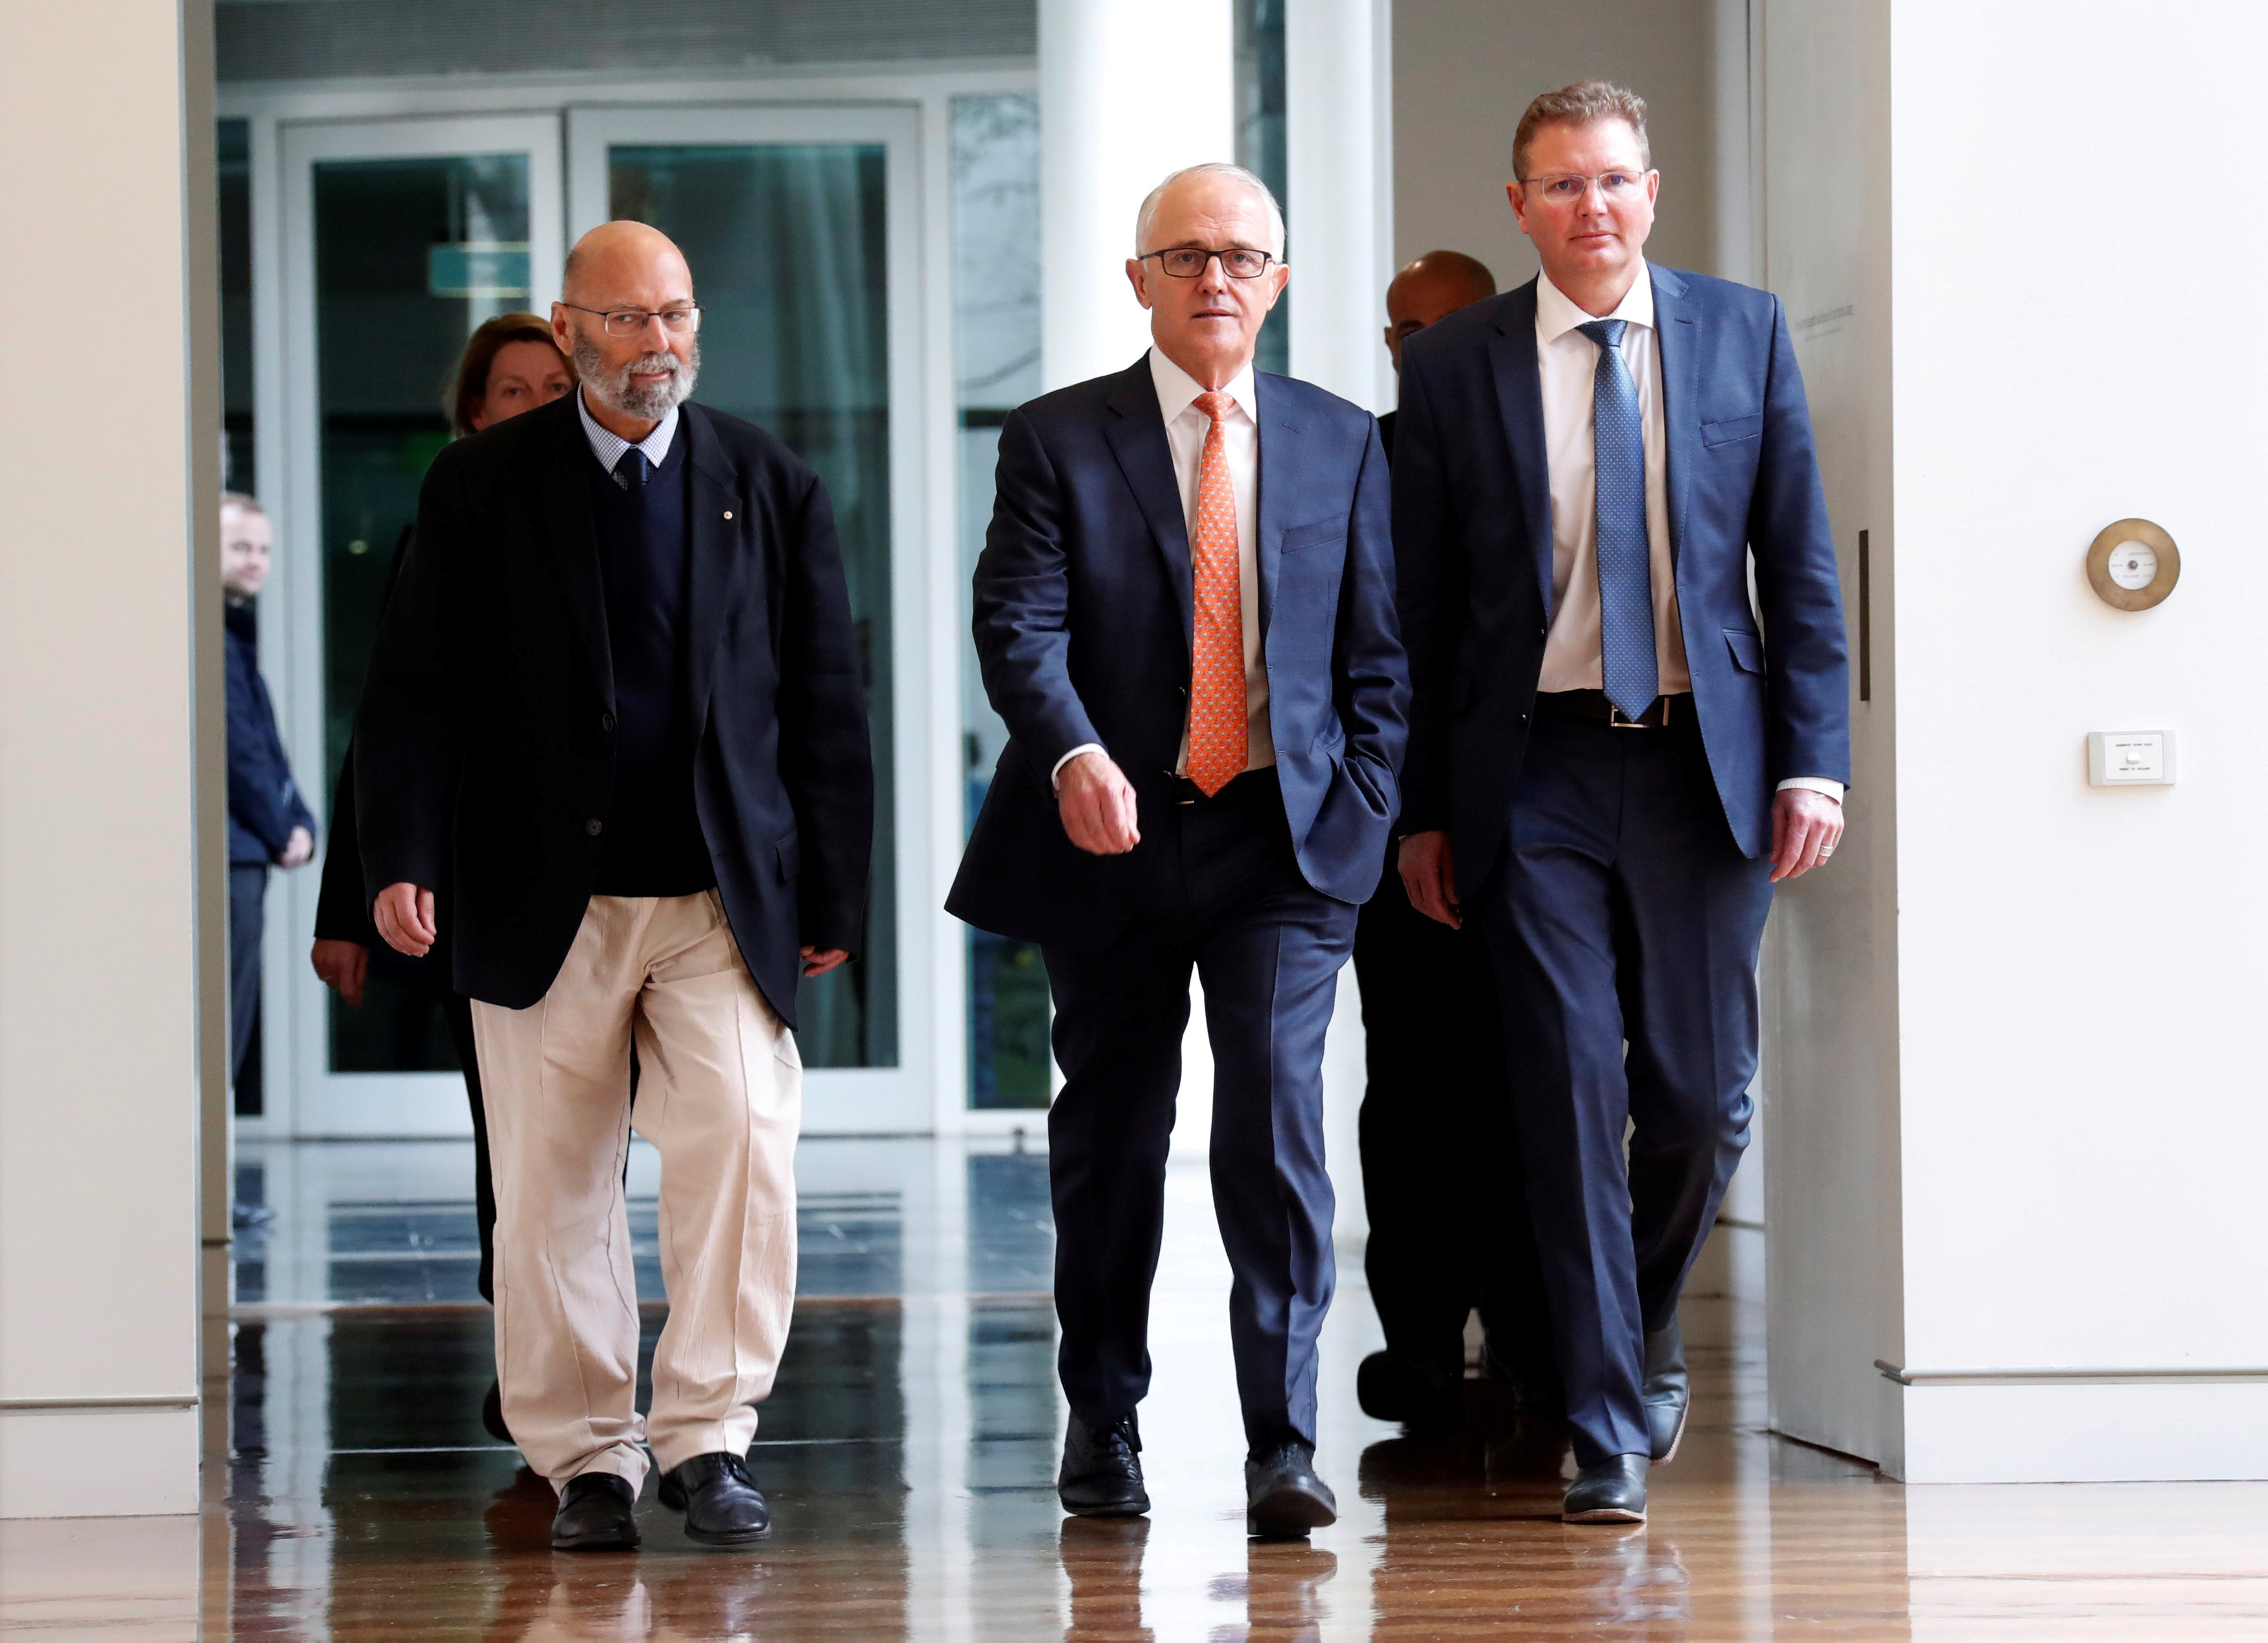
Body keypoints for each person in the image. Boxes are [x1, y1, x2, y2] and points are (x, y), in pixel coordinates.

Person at [354, 220, 874, 1554]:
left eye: (678, 315)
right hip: (540, 895)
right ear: (571, 326)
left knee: (744, 1145)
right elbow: (414, 692)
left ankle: (710, 1433)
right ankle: (587, 1451)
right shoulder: (480, 488)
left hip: (718, 897)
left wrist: (834, 891)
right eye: (632, 319)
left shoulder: (769, 482)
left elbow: (824, 700)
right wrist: (399, 857)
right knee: (549, 1183)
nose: (661, 344)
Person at [1393, 81, 1849, 1524]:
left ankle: (1632, 1325)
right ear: (1521, 206)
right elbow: (1417, 606)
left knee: (1700, 1098)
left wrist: (1811, 756)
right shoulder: (1460, 361)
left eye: (1613, 180)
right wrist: (1421, 807)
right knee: (1571, 1086)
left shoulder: (1742, 333)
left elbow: (1799, 568)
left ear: (1650, 193)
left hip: (1700, 763)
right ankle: (1598, 1416)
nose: (1592, 207)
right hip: (1528, 772)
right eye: (1560, 185)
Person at [949, 163, 1406, 1538]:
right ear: (1138, 278)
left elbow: (1380, 654)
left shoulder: (1343, 440)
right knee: (1112, 1136)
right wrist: (1075, 753)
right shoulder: (1055, 438)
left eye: (1244, 255)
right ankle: (1106, 1418)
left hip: (1283, 838)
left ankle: (1282, 1438)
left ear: (1278, 280)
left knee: (1274, 1128)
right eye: (1188, 254)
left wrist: (1363, 806)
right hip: (1111, 833)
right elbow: (1017, 628)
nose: (1217, 276)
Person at [310, 313, 573, 1440]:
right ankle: (526, 1349)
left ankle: (585, 1359)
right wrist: (349, 901)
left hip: (625, 894)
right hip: (486, 887)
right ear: (474, 413)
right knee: (511, 1138)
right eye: (511, 391)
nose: (534, 407)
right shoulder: (450, 523)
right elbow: (389, 722)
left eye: (553, 388)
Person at [1350, 248, 1564, 1435]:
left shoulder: (1568, 440)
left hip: (1545, 823)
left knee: (1543, 1083)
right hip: (1399, 831)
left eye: (1434, 325)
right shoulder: (1362, 456)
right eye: (1397, 331)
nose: (1411, 349)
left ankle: (1537, 1338)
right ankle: (1421, 1343)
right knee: (1415, 1090)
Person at [224, 493, 316, 1097]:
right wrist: (286, 829)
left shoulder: (235, 632)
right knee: (226, 1018)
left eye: (263, 550)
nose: (256, 561)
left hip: (246, 851)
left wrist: (299, 817)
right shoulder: (212, 637)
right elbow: (239, 748)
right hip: (235, 855)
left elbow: (263, 744)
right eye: (240, 547)